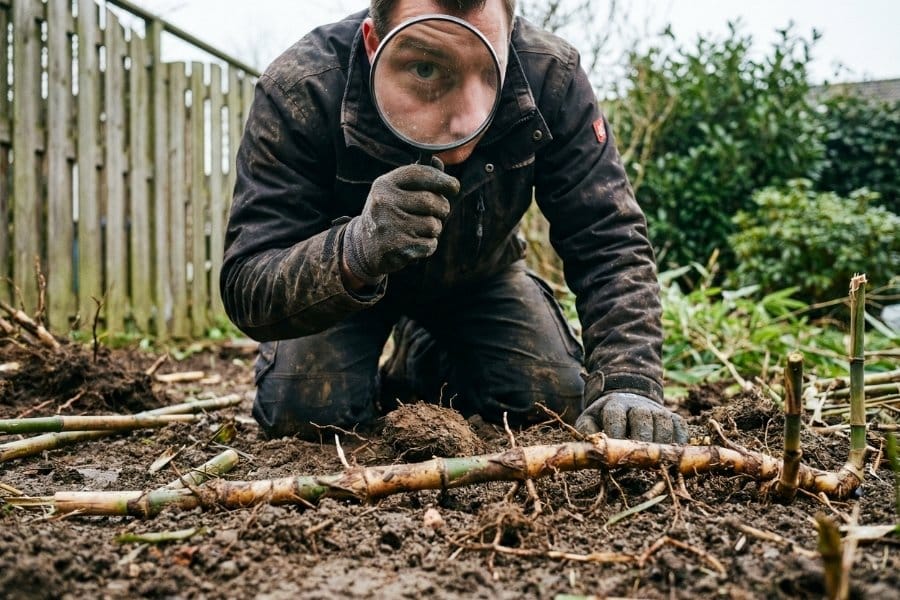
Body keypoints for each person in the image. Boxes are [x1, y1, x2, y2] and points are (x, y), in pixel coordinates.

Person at [221, 0, 688, 444]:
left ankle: (421, 359)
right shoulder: (301, 88)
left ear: (511, 34)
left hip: (480, 277)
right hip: (340, 291)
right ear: (372, 42)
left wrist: (629, 380)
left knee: (550, 400)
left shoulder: (551, 75)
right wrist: (355, 251)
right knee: (307, 414)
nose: (467, 120)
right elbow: (248, 281)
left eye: (490, 72)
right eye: (426, 68)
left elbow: (608, 237)